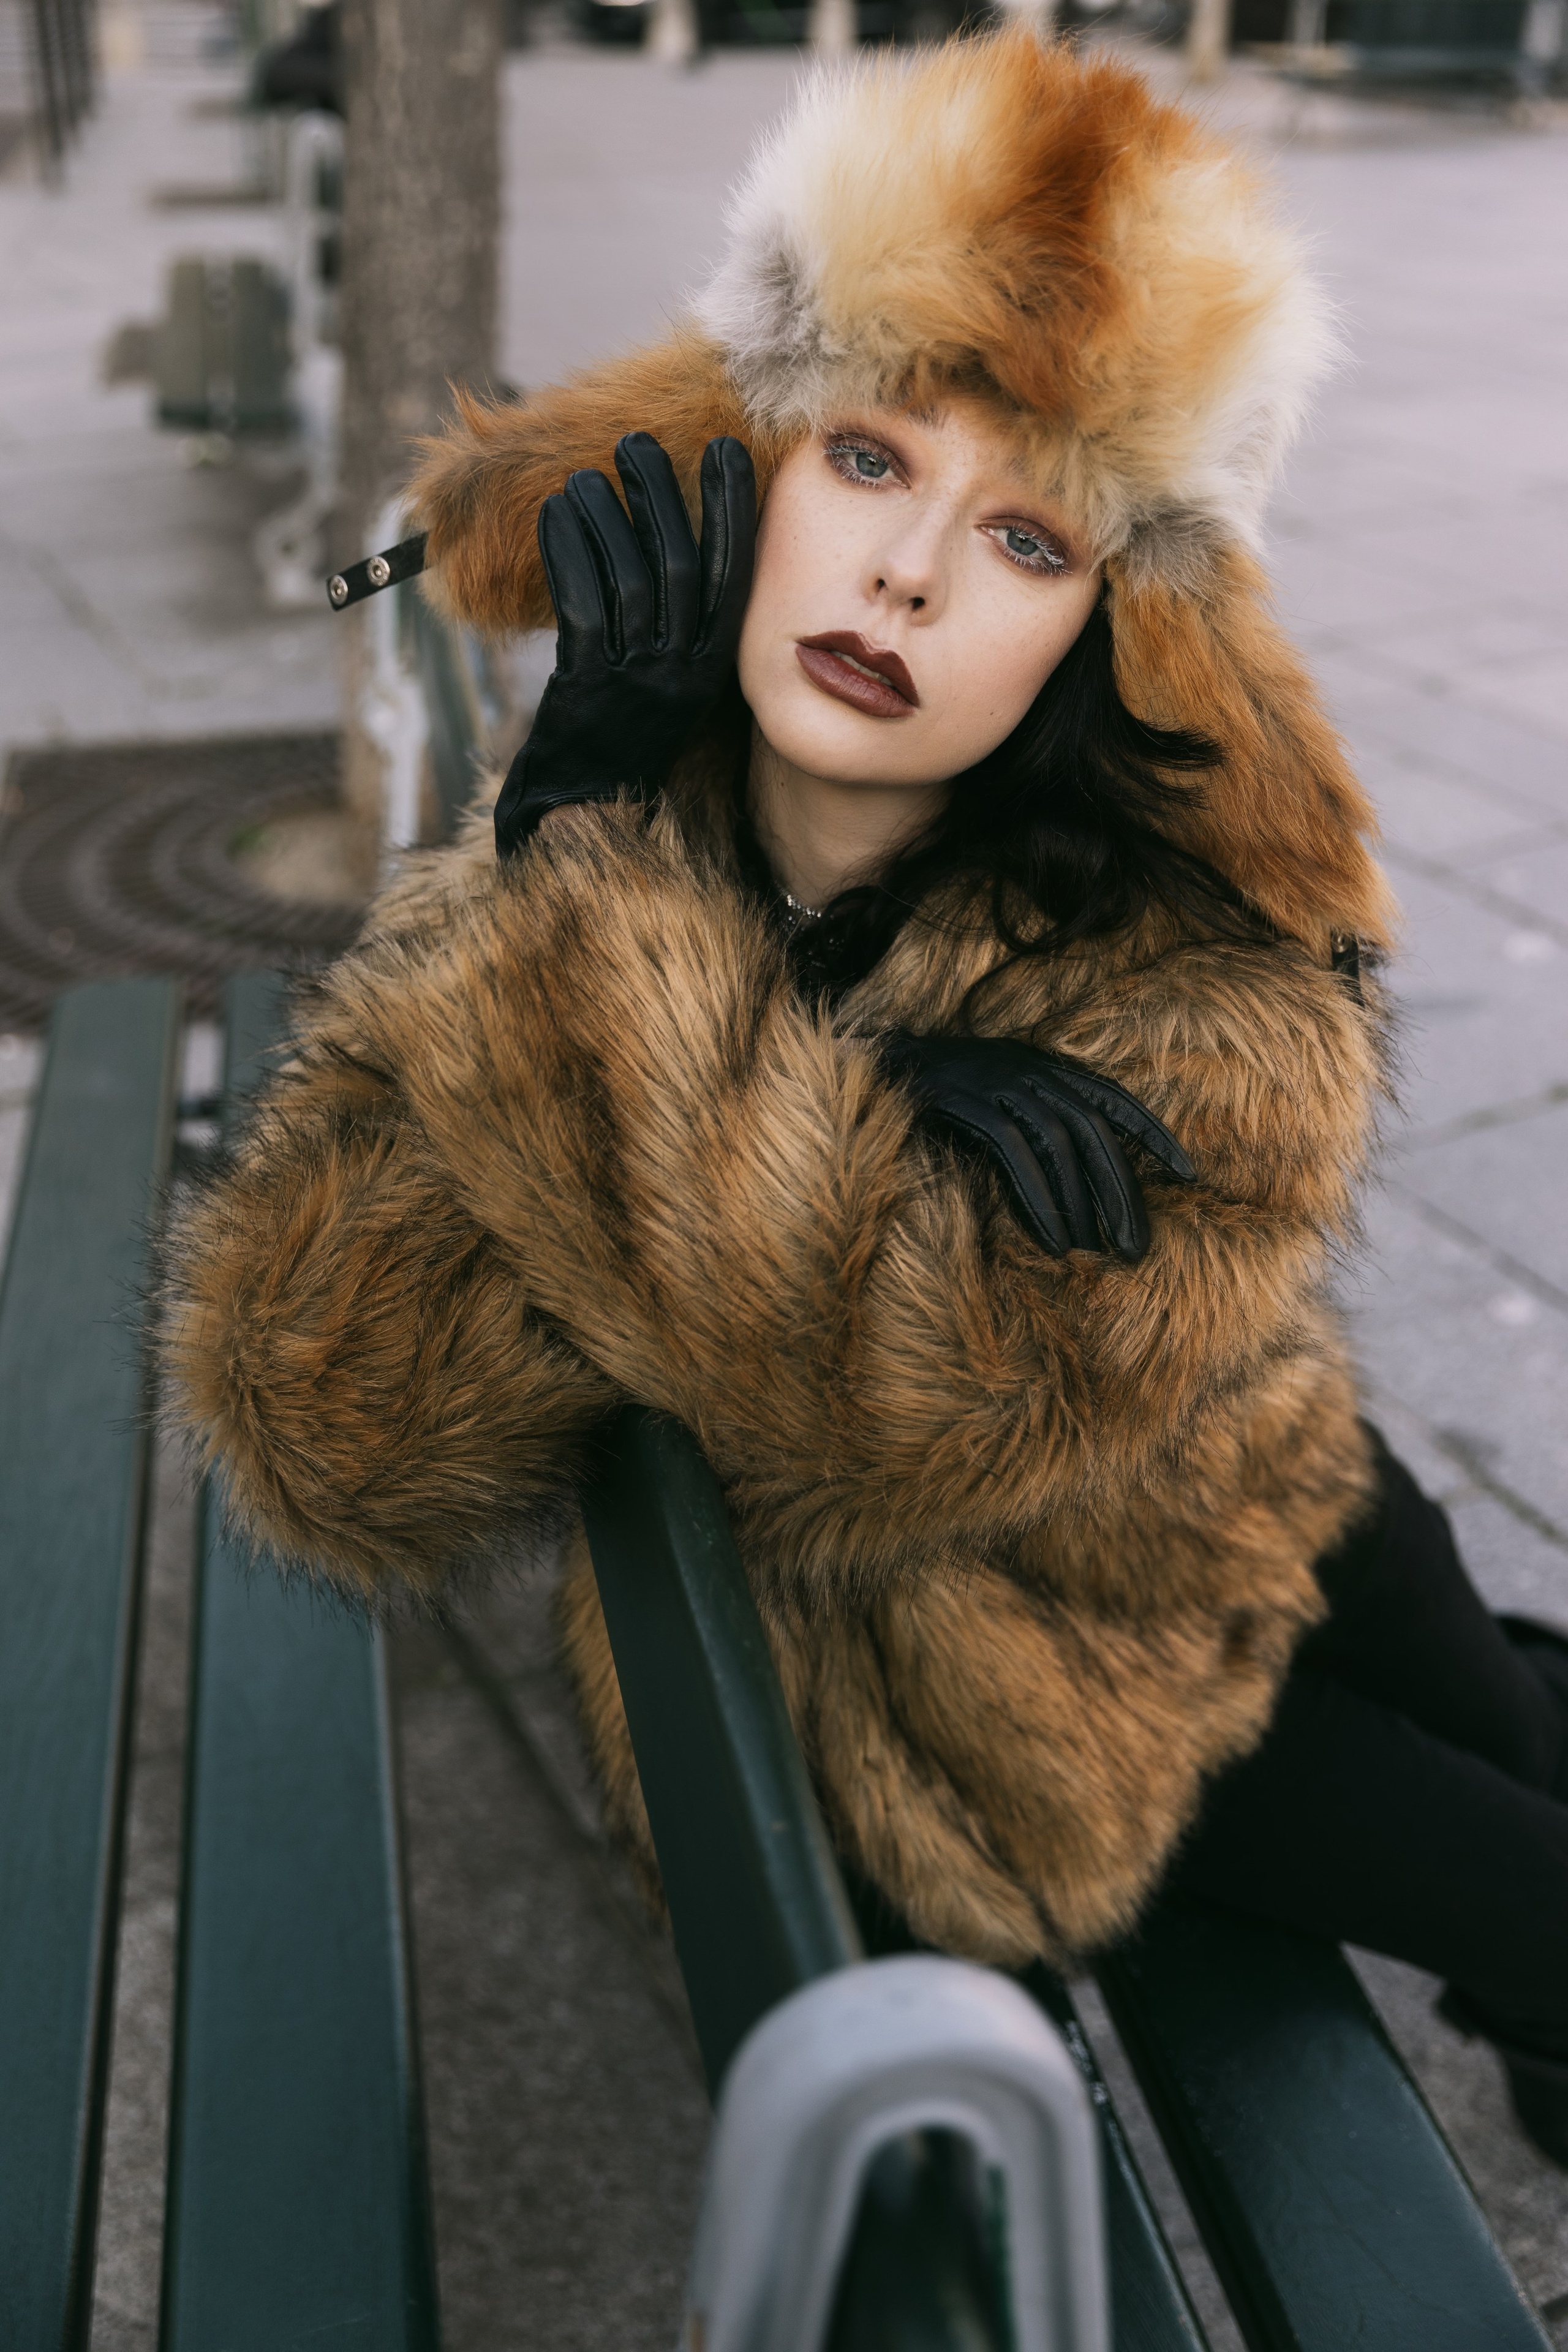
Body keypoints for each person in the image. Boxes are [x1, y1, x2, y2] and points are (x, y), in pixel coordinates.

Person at [160, 30, 1568, 2162]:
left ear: (1111, 635)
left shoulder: (1205, 994)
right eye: (875, 463)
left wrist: (623, 947)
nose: (909, 578)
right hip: (1045, 1706)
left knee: (1503, 1719)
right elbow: (320, 1417)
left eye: (1029, 539)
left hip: (1286, 1501)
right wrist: (578, 853)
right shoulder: (609, 852)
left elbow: (927, 1355)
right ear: (743, 472)